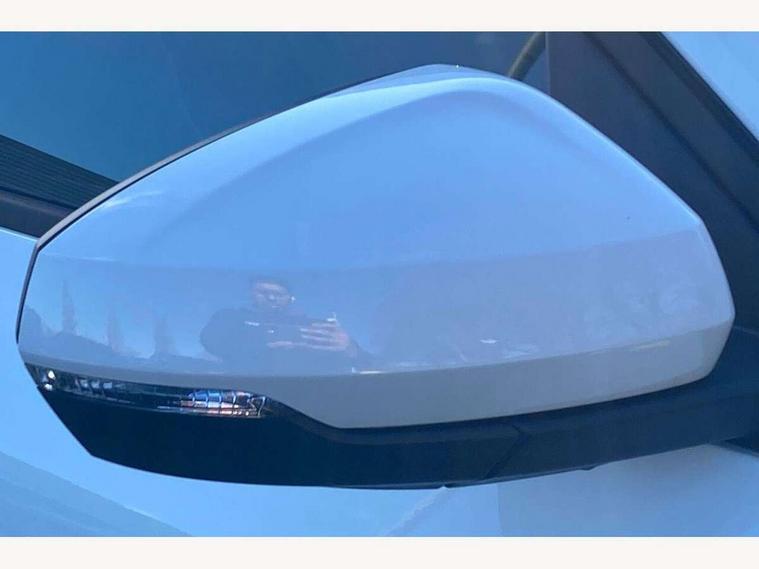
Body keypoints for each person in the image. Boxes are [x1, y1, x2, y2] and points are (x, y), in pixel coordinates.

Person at [201, 276, 364, 375]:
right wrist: (264, 349)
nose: (272, 298)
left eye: (279, 294)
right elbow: (211, 341)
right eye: (264, 292)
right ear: (251, 294)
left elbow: (364, 364)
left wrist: (349, 347)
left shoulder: (313, 326)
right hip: (243, 392)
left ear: (290, 298)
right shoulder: (231, 318)